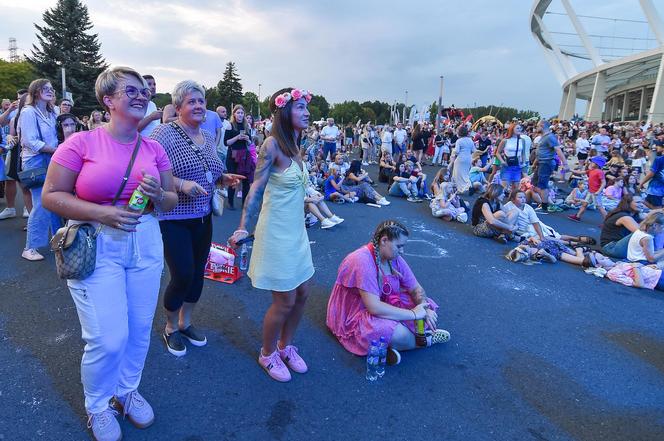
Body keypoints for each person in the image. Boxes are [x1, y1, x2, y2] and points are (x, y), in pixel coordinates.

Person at [42, 66, 178, 441]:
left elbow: (169, 199)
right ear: (108, 100)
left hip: (145, 239)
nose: (140, 96)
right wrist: (101, 212)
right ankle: (98, 405)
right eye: (129, 91)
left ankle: (126, 390)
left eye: (142, 91)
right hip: (96, 241)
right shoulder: (80, 144)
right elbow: (51, 196)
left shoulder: (154, 148)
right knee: (107, 337)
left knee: (137, 331)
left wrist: (155, 195)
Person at [150, 80, 244, 357]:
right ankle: (170, 328)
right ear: (178, 107)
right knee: (182, 274)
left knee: (198, 274)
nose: (199, 106)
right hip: (174, 217)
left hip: (202, 216)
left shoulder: (206, 136)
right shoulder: (163, 133)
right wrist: (180, 185)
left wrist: (223, 178)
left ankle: (186, 322)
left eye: (201, 101)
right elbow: (150, 170)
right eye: (191, 101)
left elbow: (210, 171)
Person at [229, 88, 315, 383]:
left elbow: (293, 188)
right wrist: (243, 226)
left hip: (297, 233)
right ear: (284, 111)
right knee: (285, 300)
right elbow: (256, 188)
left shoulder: (296, 144)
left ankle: (286, 346)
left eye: (307, 108)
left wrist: (310, 199)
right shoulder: (272, 144)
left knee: (303, 294)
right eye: (300, 107)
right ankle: (267, 353)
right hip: (277, 234)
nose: (306, 112)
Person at [326, 220, 450, 365]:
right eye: (399, 246)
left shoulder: (394, 257)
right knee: (400, 332)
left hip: (382, 301)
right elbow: (374, 308)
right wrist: (414, 314)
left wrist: (424, 308)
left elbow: (416, 288)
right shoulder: (362, 261)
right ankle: (423, 341)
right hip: (355, 312)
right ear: (384, 240)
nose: (402, 251)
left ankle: (386, 346)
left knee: (429, 308)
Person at [18, 79, 62, 261]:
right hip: (35, 162)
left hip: (52, 158)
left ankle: (58, 241)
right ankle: (30, 247)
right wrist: (58, 150)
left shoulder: (53, 112)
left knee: (55, 202)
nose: (50, 91)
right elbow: (30, 141)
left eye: (51, 89)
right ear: (36, 91)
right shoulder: (29, 112)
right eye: (45, 89)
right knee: (41, 203)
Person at [223, 104, 254, 209]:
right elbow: (226, 143)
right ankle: (230, 203)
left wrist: (247, 139)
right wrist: (237, 137)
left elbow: (250, 143)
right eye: (238, 113)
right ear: (234, 114)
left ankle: (244, 203)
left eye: (242, 113)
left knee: (246, 180)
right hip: (233, 156)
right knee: (233, 179)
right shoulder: (230, 125)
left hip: (244, 156)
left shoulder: (247, 126)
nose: (240, 115)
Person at [535, 121, 568, 212]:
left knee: (543, 185)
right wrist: (535, 163)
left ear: (542, 126)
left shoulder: (550, 137)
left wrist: (565, 164)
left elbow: (558, 150)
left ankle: (545, 206)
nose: (536, 128)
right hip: (542, 162)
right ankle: (546, 201)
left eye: (537, 126)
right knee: (536, 184)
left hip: (546, 162)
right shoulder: (544, 137)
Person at [599, 193, 642, 259]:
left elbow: (648, 217)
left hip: (617, 245)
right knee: (642, 233)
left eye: (642, 202)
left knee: (654, 225)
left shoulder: (633, 214)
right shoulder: (624, 216)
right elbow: (641, 233)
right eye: (638, 202)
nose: (641, 205)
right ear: (628, 203)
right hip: (610, 248)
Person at [568, 156, 607, 221]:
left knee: (600, 207)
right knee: (584, 204)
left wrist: (598, 191)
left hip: (595, 193)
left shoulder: (599, 172)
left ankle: (608, 221)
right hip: (591, 191)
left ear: (597, 164)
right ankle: (577, 216)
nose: (591, 163)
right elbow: (580, 172)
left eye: (592, 162)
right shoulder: (592, 170)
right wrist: (570, 169)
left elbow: (604, 183)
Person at [496, 123, 527, 190]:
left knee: (516, 188)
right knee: (504, 187)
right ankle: (500, 199)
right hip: (507, 165)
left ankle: (512, 200)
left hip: (517, 165)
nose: (519, 129)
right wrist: (502, 162)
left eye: (520, 128)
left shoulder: (522, 140)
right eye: (517, 128)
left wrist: (523, 163)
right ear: (512, 129)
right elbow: (497, 153)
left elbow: (523, 153)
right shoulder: (505, 140)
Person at [450, 125, 475, 193]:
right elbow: (473, 150)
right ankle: (468, 185)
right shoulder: (470, 140)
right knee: (465, 173)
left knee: (457, 173)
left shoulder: (459, 141)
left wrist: (453, 150)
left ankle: (459, 188)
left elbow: (457, 151)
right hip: (468, 158)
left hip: (460, 158)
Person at [639, 141, 664, 209]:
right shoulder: (659, 159)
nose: (656, 147)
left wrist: (641, 183)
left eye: (657, 146)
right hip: (658, 190)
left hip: (656, 189)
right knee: (658, 210)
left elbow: (651, 174)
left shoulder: (659, 159)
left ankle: (640, 201)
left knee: (658, 210)